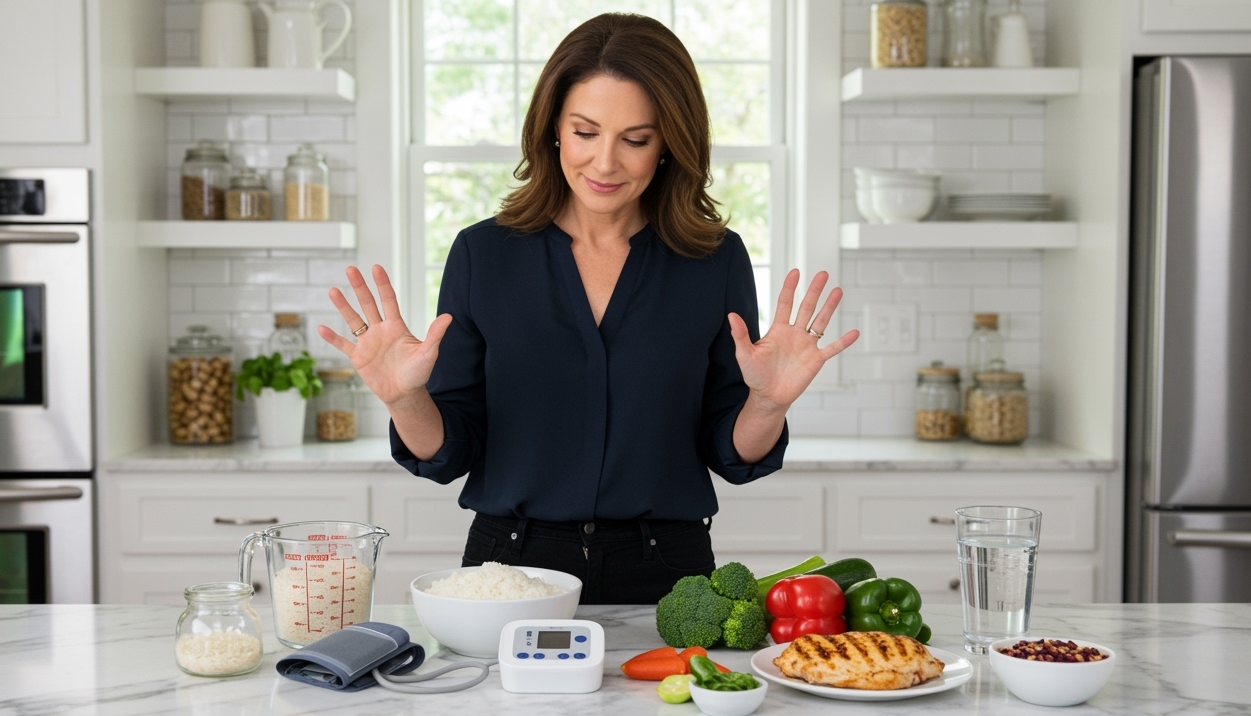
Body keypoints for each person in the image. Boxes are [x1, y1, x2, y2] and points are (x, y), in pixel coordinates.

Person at [318, 13, 858, 604]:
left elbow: (730, 454)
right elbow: (451, 453)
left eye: (635, 139)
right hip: (511, 569)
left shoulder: (714, 259)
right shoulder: (483, 254)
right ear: (552, 128)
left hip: (669, 575)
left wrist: (767, 403)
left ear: (669, 145)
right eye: (585, 132)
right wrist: (404, 399)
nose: (604, 163)